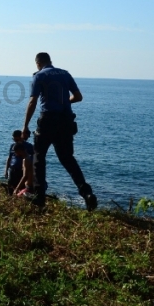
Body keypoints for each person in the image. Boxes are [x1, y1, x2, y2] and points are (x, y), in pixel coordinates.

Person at [22, 52, 97, 210]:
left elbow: (33, 101)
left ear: (38, 63)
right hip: (66, 121)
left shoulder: (39, 76)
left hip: (48, 120)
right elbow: (78, 97)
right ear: (50, 61)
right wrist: (64, 101)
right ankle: (87, 193)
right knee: (68, 159)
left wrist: (25, 126)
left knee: (39, 157)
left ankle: (39, 197)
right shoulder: (65, 73)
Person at [3, 130, 34, 195]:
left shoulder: (29, 146)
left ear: (21, 137)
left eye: (16, 139)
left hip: (22, 171)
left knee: (21, 188)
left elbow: (34, 159)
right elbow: (9, 158)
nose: (15, 141)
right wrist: (6, 170)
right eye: (14, 139)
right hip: (12, 170)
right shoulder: (12, 146)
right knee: (10, 187)